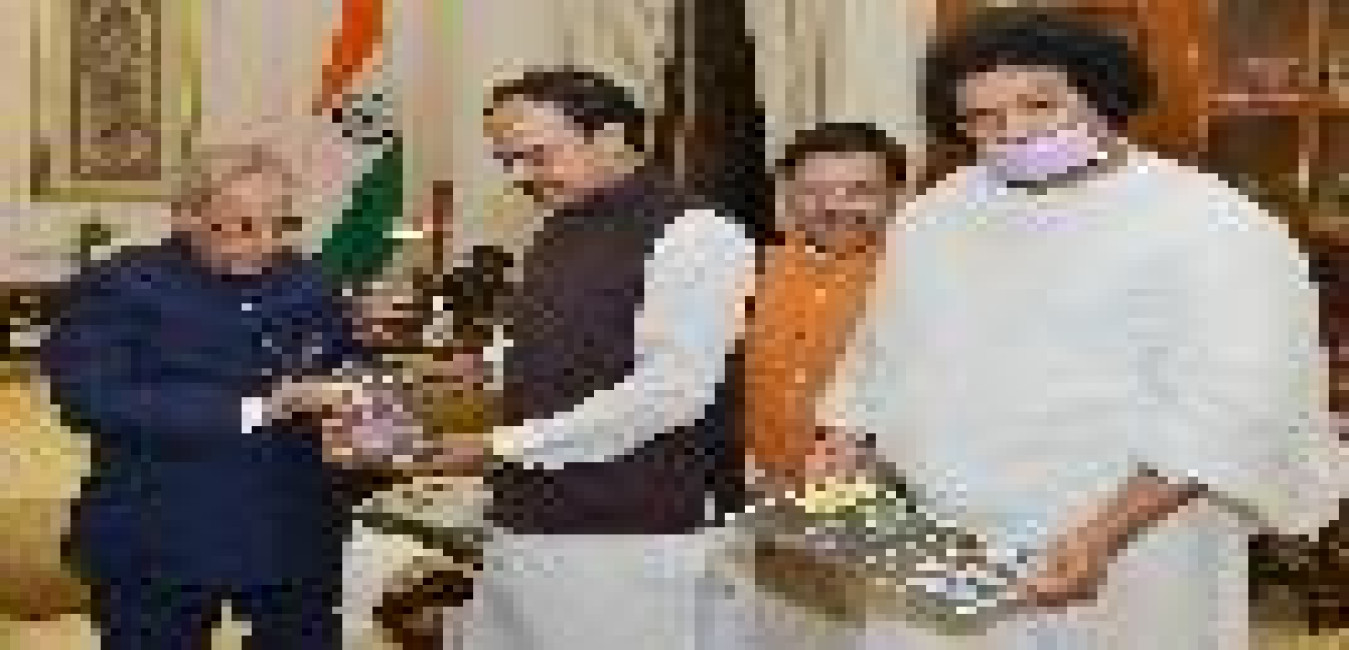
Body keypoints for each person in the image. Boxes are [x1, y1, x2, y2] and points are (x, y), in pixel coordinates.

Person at [814, 9, 1344, 650]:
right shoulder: (934, 215)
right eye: (982, 117)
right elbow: (880, 352)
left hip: (1124, 548)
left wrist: (1102, 536)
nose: (1013, 131)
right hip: (937, 546)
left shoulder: (1213, 226)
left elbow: (1231, 412)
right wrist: (847, 440)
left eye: (1039, 105)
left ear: (1102, 97)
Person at [436, 67, 757, 650]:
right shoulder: (554, 228)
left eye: (536, 156)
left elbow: (671, 393)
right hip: (527, 516)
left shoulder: (697, 233)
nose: (520, 176)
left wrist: (500, 444)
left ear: (610, 136)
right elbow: (556, 338)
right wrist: (487, 367)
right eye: (507, 160)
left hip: (632, 532)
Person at [40, 144, 368, 650]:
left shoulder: (311, 283)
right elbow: (89, 398)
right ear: (186, 216)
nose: (265, 244)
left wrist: (361, 407)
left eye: (281, 226)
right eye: (241, 227)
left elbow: (347, 364)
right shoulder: (119, 285)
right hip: (161, 537)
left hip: (294, 534)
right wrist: (260, 407)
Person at [744, 122, 907, 488]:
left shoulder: (920, 280)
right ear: (787, 196)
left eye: (861, 191)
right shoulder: (744, 271)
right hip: (749, 492)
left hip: (880, 497)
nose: (835, 206)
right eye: (814, 192)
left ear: (897, 195)